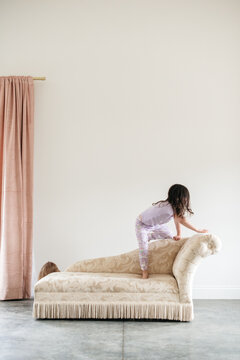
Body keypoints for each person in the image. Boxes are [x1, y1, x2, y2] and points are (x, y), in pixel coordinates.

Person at [135, 184, 208, 279]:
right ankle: (144, 271)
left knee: (170, 237)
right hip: (142, 224)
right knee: (143, 248)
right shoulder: (167, 206)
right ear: (178, 197)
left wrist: (179, 234)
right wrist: (197, 230)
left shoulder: (174, 208)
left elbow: (178, 220)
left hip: (156, 224)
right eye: (185, 197)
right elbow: (181, 221)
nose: (186, 200)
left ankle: (148, 237)